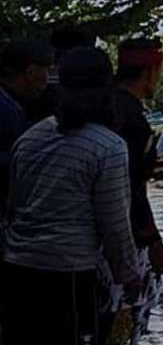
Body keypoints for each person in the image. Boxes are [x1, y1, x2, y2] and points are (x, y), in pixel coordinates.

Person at [1, 47, 141, 345]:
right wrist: (129, 275)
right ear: (107, 88)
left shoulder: (30, 137)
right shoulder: (109, 147)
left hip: (16, 271)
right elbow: (115, 224)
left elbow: (12, 205)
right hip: (70, 275)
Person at [105, 37, 163, 343]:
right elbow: (132, 189)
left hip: (84, 237)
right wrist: (153, 241)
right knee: (126, 314)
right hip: (120, 237)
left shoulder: (101, 106)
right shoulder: (133, 120)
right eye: (159, 72)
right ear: (149, 72)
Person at [0, 39, 54, 216]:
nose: (48, 79)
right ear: (30, 72)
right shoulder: (7, 110)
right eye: (47, 71)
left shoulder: (12, 104)